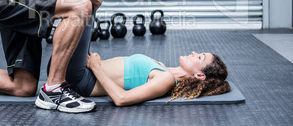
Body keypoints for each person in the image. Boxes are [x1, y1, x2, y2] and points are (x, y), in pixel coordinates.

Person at [76, 51, 231, 106]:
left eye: (199, 57)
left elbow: (121, 98)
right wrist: (100, 62)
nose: (193, 52)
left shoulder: (166, 79)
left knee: (82, 9)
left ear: (200, 75)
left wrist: (96, 67)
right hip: (85, 70)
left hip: (80, 80)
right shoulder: (162, 67)